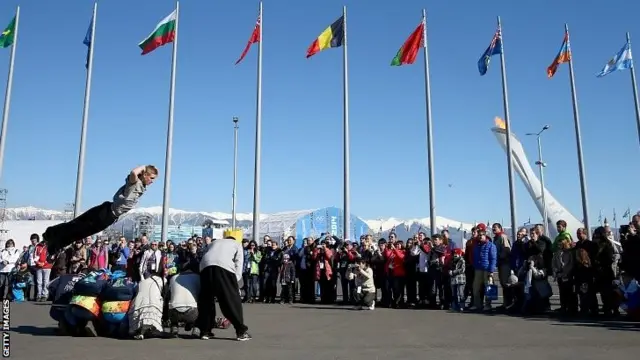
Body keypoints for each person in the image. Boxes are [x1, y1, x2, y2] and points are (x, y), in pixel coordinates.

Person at [43, 165, 158, 254]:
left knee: (80, 231)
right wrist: (144, 167)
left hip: (110, 216)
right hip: (106, 213)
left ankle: (54, 244)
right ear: (145, 175)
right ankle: (50, 235)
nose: (152, 181)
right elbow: (133, 172)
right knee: (77, 226)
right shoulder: (135, 183)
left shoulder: (142, 187)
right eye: (151, 178)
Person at [197, 236, 251, 341]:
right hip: (224, 267)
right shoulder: (237, 244)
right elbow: (239, 263)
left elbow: (204, 255)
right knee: (230, 300)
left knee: (206, 299)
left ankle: (205, 331)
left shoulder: (214, 243)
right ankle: (241, 331)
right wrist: (235, 282)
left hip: (205, 267)